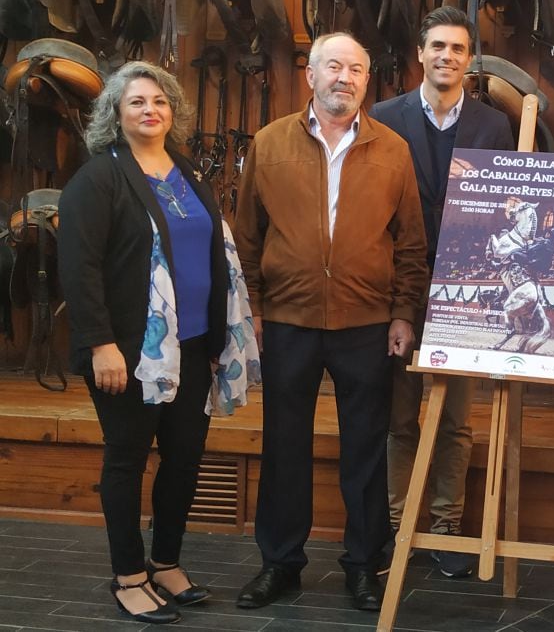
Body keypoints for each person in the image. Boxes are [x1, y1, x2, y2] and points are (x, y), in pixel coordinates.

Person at [233, 32, 428, 613]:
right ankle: (280, 564)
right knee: (283, 445)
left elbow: (411, 245)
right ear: (310, 76)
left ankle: (363, 566)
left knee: (365, 451)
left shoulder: (393, 150)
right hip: (288, 321)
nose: (345, 77)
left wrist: (402, 312)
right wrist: (256, 312)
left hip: (366, 322)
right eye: (334, 67)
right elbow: (246, 239)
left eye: (357, 70)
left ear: (369, 81)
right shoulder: (268, 145)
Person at [58, 61, 256, 624]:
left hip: (192, 346)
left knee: (185, 459)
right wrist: (100, 344)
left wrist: (220, 337)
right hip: (128, 353)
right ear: (116, 116)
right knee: (126, 461)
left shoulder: (186, 171)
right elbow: (80, 268)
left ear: (174, 112)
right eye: (137, 102)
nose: (151, 110)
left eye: (160, 102)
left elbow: (213, 256)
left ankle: (166, 562)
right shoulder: (97, 179)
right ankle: (128, 575)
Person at [370, 6, 514, 577]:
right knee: (400, 418)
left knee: (456, 418)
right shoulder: (383, 116)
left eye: (457, 48)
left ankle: (446, 527)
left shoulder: (493, 125)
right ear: (420, 54)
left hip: (468, 293)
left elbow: (507, 206)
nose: (446, 56)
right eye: (437, 46)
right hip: (399, 288)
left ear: (469, 59)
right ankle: (398, 525)